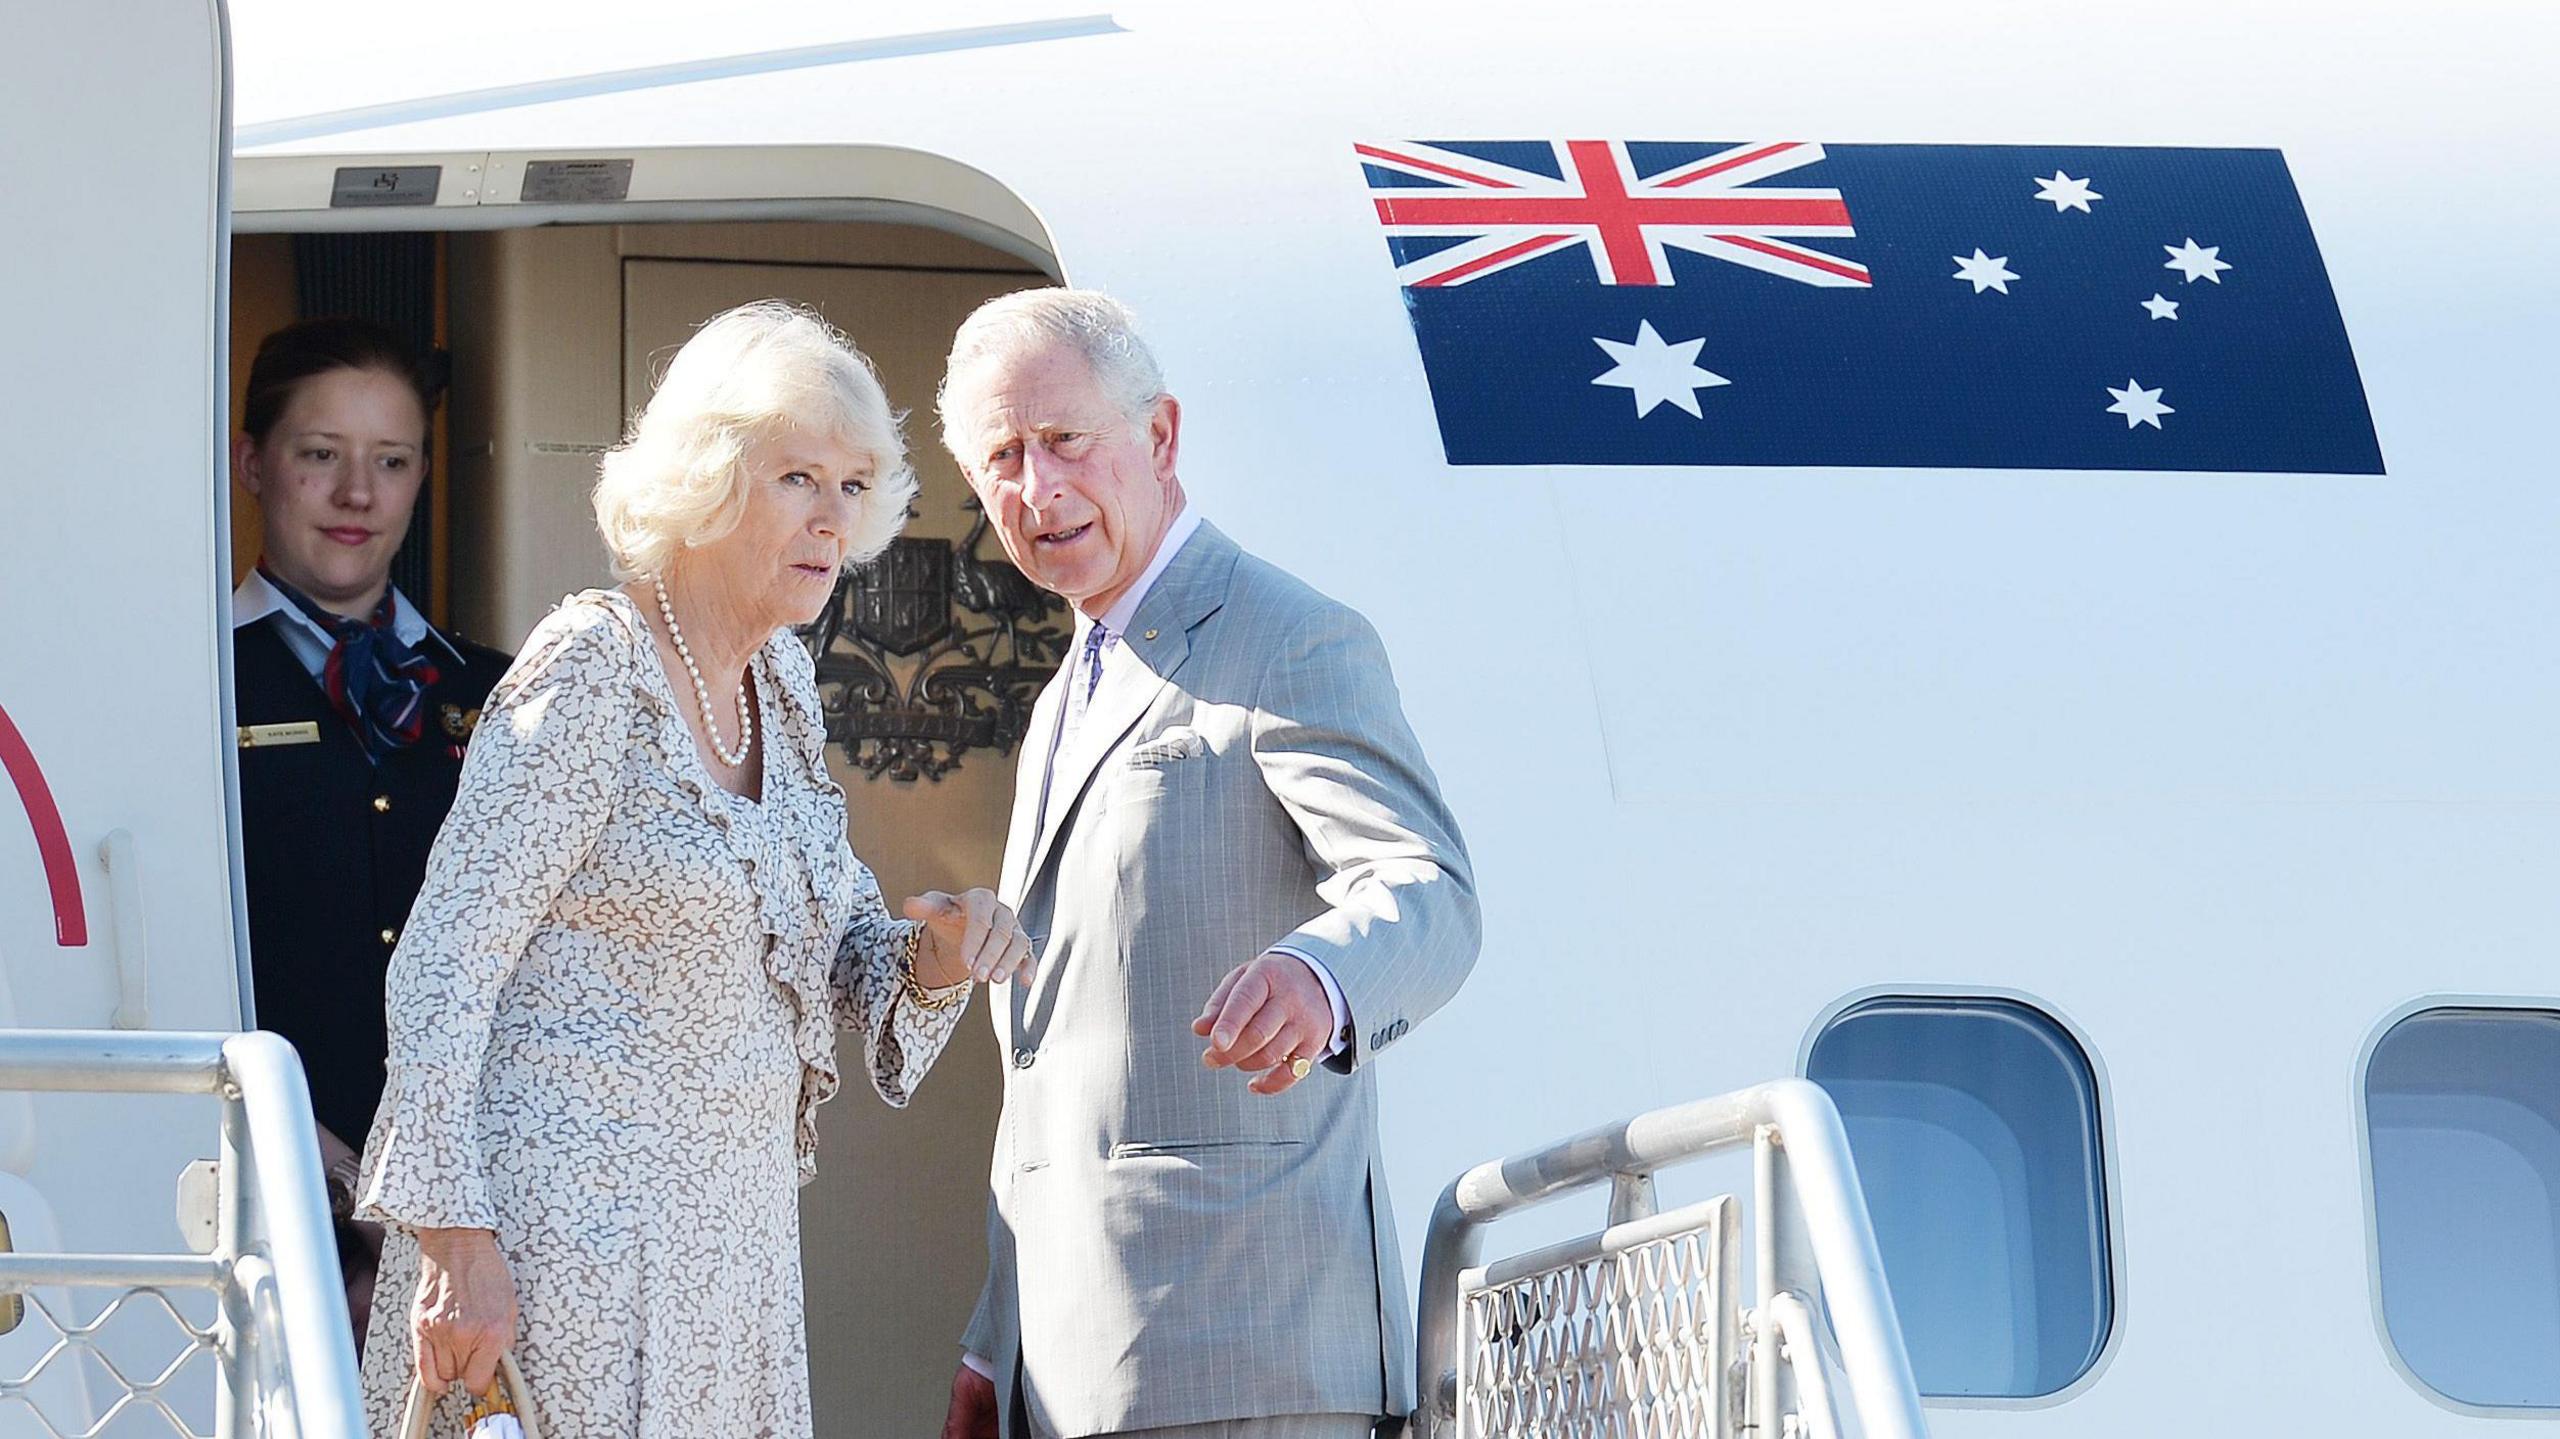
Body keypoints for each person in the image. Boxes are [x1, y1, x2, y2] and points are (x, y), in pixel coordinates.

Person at [352, 300, 1035, 1437]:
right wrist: (453, 1247)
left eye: (854, 485)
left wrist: (936, 951)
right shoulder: (594, 665)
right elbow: (442, 967)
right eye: (797, 479)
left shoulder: (781, 684)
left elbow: (827, 949)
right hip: (554, 1263)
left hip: (731, 1263)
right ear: (709, 479)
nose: (833, 520)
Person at [934, 290, 1481, 1439]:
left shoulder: (1285, 633)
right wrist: (998, 1335)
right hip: (1067, 1367)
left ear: (1162, 436)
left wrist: (1318, 976)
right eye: (1002, 457)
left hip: (1247, 1357)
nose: (1037, 489)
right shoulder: (1061, 697)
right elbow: (1053, 1057)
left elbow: (1425, 888)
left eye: (1065, 439)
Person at [228, 316, 511, 1343]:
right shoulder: (191, 687)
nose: (359, 495)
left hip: (476, 1229)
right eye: (321, 456)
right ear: (253, 463)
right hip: (259, 1207)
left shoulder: (507, 691)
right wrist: (328, 1175)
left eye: (390, 461)